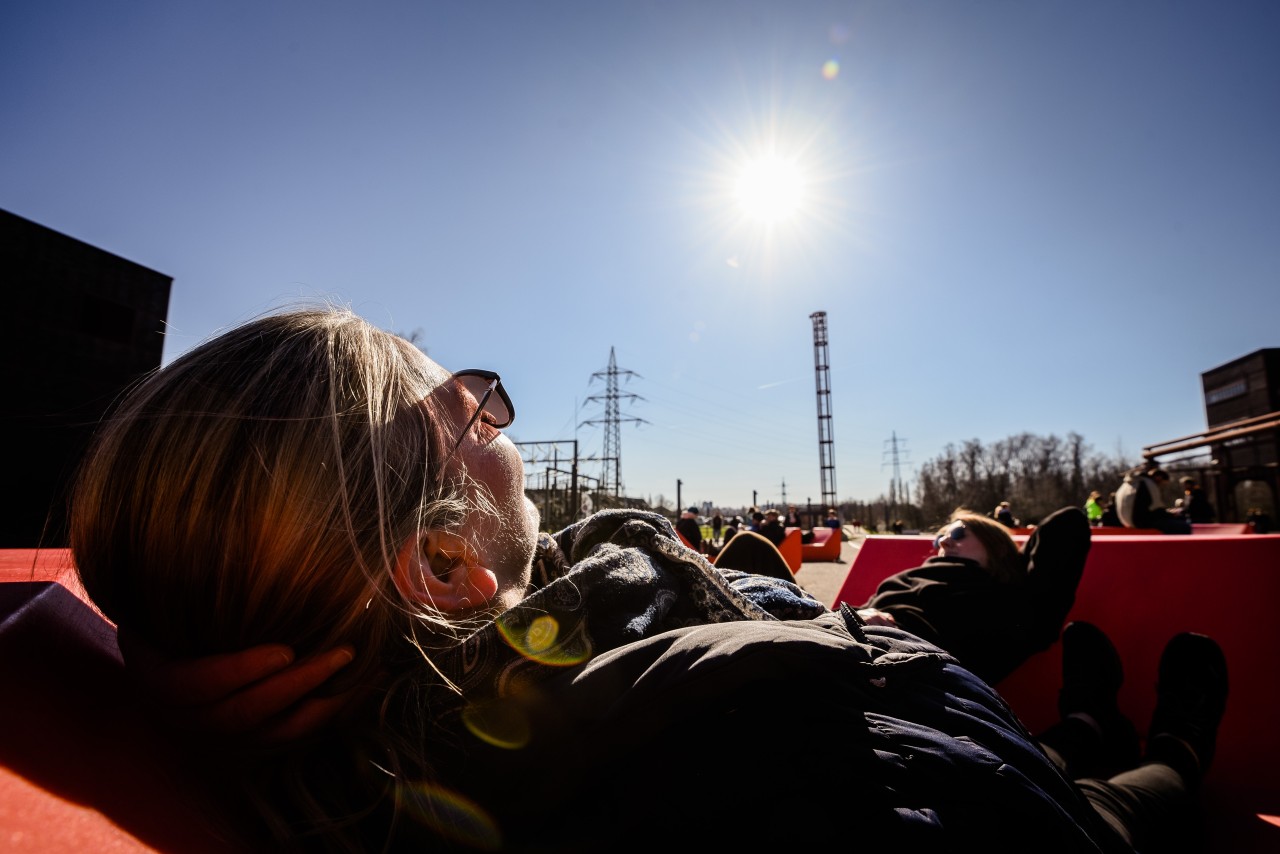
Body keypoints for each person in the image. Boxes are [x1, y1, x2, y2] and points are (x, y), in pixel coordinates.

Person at [69, 307, 1228, 853]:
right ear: (442, 559)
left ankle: (1072, 706)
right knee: (1126, 800)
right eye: (465, 406)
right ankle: (1164, 744)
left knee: (851, 610)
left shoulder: (490, 676)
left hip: (916, 709)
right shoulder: (714, 794)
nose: (500, 414)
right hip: (1015, 803)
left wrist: (175, 618)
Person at [1114, 466, 1190, 534]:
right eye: (1162, 484)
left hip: (1127, 522)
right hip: (1140, 522)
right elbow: (1157, 511)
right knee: (1183, 526)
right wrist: (1170, 514)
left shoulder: (1129, 483)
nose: (1161, 487)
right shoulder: (1149, 484)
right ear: (1159, 477)